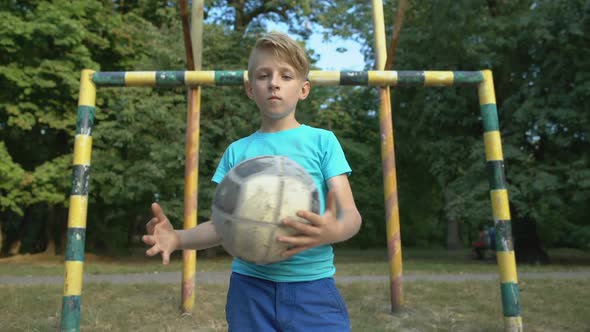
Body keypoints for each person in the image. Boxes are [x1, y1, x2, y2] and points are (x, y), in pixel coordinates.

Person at [142, 31, 362, 332]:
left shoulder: (322, 142)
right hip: (249, 290)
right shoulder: (238, 152)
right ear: (249, 88)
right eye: (263, 75)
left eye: (286, 76)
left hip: (312, 288)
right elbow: (223, 225)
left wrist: (333, 230)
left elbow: (350, 216)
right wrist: (178, 238)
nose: (274, 82)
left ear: (303, 89)